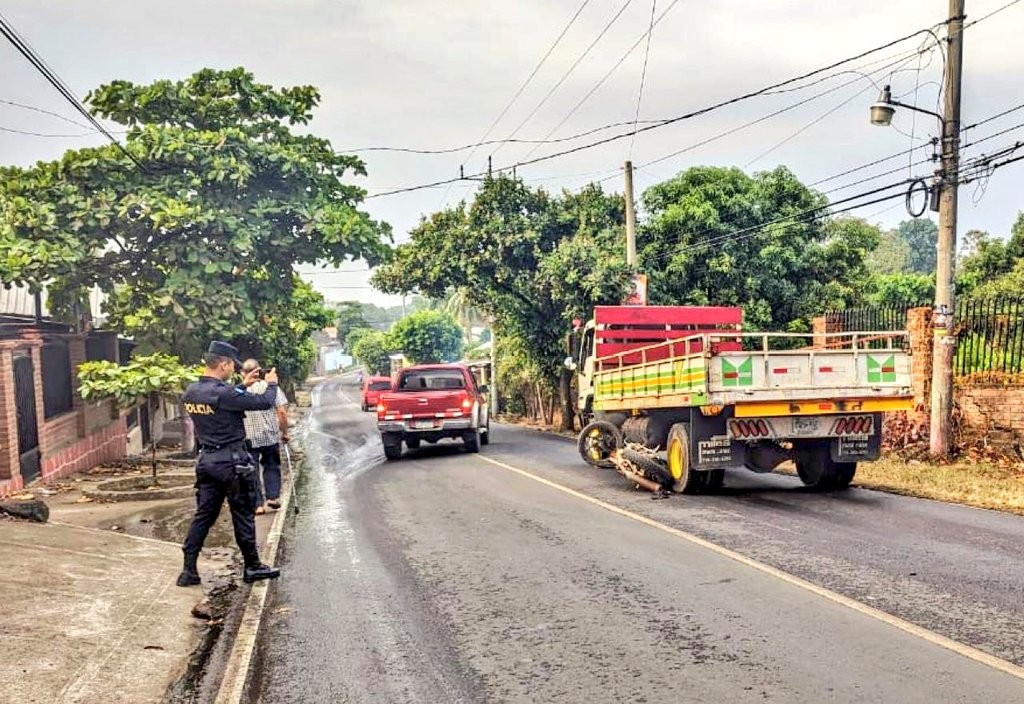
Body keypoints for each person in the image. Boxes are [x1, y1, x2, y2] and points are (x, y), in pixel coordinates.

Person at [177, 341, 282, 587]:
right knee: (243, 515)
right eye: (230, 367)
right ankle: (253, 566)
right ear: (223, 363)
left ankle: (188, 570)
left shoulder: (191, 392)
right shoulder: (224, 393)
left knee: (203, 516)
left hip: (207, 462)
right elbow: (263, 402)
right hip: (233, 463)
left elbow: (221, 400)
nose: (232, 371)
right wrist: (272, 383)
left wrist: (241, 386)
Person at [240, 358, 289, 514]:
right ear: (260, 371)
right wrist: (285, 432)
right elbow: (281, 413)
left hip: (248, 438)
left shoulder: (240, 391)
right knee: (271, 466)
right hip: (270, 436)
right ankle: (272, 497)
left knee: (251, 470)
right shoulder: (271, 388)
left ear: (243, 373)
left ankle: (257, 505)